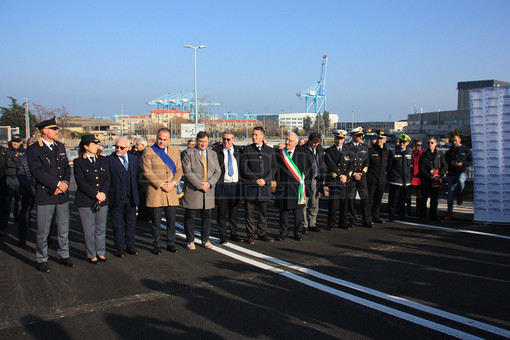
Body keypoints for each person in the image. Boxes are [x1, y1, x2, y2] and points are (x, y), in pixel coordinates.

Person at [26, 117, 75, 272]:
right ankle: (42, 258)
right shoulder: (34, 149)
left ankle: (64, 255)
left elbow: (67, 168)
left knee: (63, 227)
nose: (57, 131)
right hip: (46, 193)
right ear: (44, 131)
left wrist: (65, 183)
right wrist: (56, 184)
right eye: (54, 129)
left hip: (61, 194)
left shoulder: (60, 147)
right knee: (43, 229)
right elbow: (37, 171)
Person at [141, 128, 182, 254]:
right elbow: (147, 171)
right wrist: (161, 184)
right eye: (159, 139)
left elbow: (179, 170)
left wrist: (173, 183)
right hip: (156, 191)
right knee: (156, 222)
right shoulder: (148, 151)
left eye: (164, 140)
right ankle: (157, 244)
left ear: (169, 140)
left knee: (171, 221)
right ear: (156, 137)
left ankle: (171, 243)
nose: (161, 142)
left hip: (171, 191)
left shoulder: (175, 152)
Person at [74, 135, 110, 264]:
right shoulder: (79, 162)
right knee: (89, 229)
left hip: (102, 199)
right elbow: (81, 182)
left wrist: (103, 193)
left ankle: (101, 252)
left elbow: (107, 178)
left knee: (101, 228)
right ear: (85, 146)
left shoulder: (102, 160)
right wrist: (96, 194)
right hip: (86, 200)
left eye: (97, 144)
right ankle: (91, 254)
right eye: (94, 144)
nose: (97, 146)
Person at [181, 131, 221, 250]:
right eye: (200, 142)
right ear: (196, 141)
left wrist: (209, 183)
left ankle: (205, 239)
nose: (203, 144)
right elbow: (187, 172)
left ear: (208, 141)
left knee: (207, 217)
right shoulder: (188, 153)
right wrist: (200, 184)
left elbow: (217, 171)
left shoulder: (213, 154)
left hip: (208, 190)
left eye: (205, 142)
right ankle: (190, 240)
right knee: (190, 217)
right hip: (193, 190)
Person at [238, 126, 277, 244]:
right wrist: (255, 179)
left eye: (256, 135)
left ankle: (262, 233)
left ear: (262, 136)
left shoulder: (270, 151)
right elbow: (244, 167)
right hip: (251, 186)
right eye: (253, 134)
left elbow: (274, 167)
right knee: (249, 212)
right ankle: (250, 234)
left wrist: (265, 179)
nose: (254, 137)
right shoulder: (247, 150)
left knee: (263, 212)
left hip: (264, 186)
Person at [274, 132, 312, 241]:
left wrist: (306, 187)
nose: (287, 142)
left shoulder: (303, 154)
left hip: (297, 189)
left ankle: (297, 233)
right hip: (283, 188)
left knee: (298, 213)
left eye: (290, 140)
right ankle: (283, 232)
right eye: (286, 139)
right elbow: (275, 169)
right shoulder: (279, 153)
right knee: (283, 212)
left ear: (295, 143)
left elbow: (308, 171)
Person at [106, 136, 140, 258]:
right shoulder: (109, 160)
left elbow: (137, 177)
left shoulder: (134, 159)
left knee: (131, 222)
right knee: (118, 223)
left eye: (121, 147)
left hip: (131, 197)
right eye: (116, 147)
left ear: (128, 148)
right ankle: (120, 246)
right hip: (116, 197)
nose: (118, 149)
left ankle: (130, 244)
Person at [212, 131, 242, 244]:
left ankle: (234, 233)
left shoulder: (239, 151)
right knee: (221, 212)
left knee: (234, 213)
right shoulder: (216, 151)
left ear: (233, 140)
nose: (226, 141)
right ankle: (222, 235)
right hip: (223, 185)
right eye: (224, 139)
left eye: (228, 139)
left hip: (235, 186)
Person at [345, 127, 373, 228]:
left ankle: (366, 219)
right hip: (351, 176)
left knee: (365, 198)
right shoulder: (347, 147)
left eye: (361, 135)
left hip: (362, 176)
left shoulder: (364, 147)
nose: (361, 137)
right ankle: (352, 218)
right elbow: (346, 162)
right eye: (358, 135)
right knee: (351, 198)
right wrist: (353, 174)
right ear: (353, 136)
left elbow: (367, 162)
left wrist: (361, 173)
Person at [325, 130, 352, 229]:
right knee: (333, 203)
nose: (339, 141)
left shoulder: (348, 150)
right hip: (335, 180)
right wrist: (340, 176)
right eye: (337, 138)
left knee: (344, 203)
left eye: (341, 139)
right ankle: (331, 223)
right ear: (334, 139)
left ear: (344, 139)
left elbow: (351, 164)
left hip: (345, 180)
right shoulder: (329, 151)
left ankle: (343, 222)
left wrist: (346, 176)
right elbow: (331, 165)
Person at [444, 134, 472, 220]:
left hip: (462, 171)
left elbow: (471, 161)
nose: (454, 142)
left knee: (460, 180)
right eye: (452, 141)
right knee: (450, 195)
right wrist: (451, 164)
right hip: (452, 173)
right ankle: (450, 212)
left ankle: (460, 194)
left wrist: (462, 164)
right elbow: (445, 162)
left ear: (459, 140)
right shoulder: (449, 151)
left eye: (455, 140)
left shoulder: (466, 150)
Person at [302, 132, 326, 233]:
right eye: (314, 143)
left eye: (317, 143)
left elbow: (322, 164)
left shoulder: (320, 149)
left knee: (314, 202)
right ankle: (304, 224)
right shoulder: (303, 149)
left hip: (316, 179)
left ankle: (312, 223)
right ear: (309, 140)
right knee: (304, 203)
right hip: (306, 179)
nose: (315, 145)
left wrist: (323, 178)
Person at [16, 137, 37, 247]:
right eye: (32, 143)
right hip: (27, 191)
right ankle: (22, 238)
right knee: (24, 214)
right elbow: (22, 177)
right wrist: (33, 191)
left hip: (40, 191)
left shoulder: (41, 157)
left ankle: (46, 238)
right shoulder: (22, 158)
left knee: (45, 217)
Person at [419, 137, 447, 221]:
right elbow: (421, 167)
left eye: (431, 143)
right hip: (426, 180)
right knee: (424, 199)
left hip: (436, 181)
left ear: (435, 144)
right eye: (428, 143)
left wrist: (440, 174)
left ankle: (433, 215)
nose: (430, 144)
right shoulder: (424, 155)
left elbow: (444, 165)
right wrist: (428, 175)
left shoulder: (439, 155)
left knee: (434, 199)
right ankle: (422, 215)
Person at [387, 134, 413, 222]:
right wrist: (392, 175)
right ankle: (392, 215)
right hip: (396, 180)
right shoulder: (393, 152)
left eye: (404, 142)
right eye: (400, 142)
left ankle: (401, 214)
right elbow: (389, 166)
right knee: (393, 200)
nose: (402, 144)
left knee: (403, 200)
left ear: (407, 143)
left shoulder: (410, 152)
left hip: (405, 180)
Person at [1, 134, 24, 230]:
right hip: (9, 178)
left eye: (17, 142)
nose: (15, 143)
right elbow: (7, 163)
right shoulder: (6, 151)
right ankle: (3, 223)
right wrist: (16, 160)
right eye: (14, 141)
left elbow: (24, 163)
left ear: (20, 142)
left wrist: (14, 160)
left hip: (20, 178)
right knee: (7, 203)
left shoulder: (24, 151)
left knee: (19, 201)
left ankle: (17, 218)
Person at [366, 130, 389, 224]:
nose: (380, 140)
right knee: (369, 200)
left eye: (382, 138)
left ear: (385, 140)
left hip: (381, 179)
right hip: (372, 179)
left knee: (378, 199)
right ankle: (367, 217)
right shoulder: (371, 150)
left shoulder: (387, 151)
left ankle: (376, 216)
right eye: (378, 138)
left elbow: (389, 165)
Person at [407, 139, 423, 216]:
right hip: (410, 176)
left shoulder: (422, 154)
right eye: (418, 145)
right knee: (408, 195)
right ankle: (408, 210)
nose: (419, 147)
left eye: (420, 145)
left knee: (419, 196)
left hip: (418, 177)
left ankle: (418, 211)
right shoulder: (410, 153)